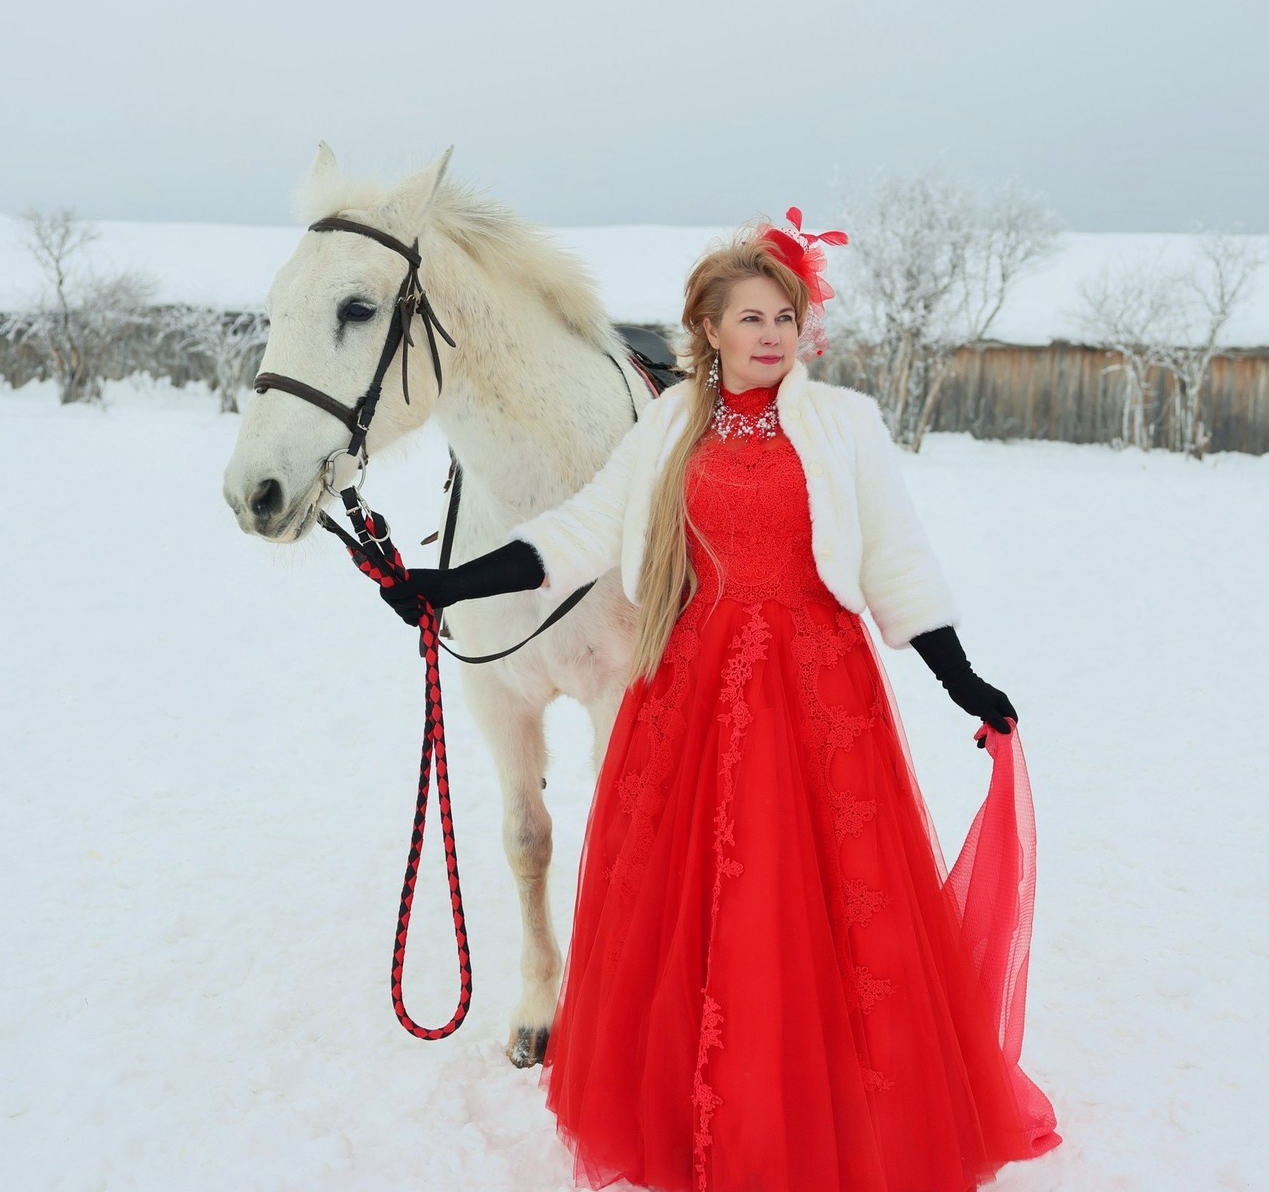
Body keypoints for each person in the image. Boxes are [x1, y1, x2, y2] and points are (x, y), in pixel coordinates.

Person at [376, 214, 1060, 1191]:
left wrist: (962, 679)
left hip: (817, 687)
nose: (772, 335)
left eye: (785, 317)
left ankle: (830, 1096)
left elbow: (895, 562)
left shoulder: (844, 427)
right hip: (692, 685)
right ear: (709, 328)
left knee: (821, 894)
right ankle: (700, 1103)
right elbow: (579, 530)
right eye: (751, 318)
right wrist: (447, 584)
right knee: (696, 899)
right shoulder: (669, 428)